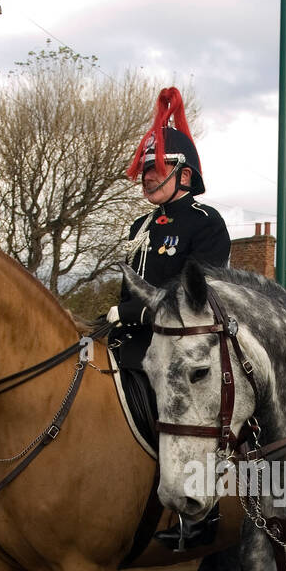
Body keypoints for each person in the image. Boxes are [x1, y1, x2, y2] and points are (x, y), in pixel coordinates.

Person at [110, 86, 231, 373]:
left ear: (184, 175)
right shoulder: (141, 226)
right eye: (145, 170)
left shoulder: (206, 222)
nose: (148, 177)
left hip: (177, 350)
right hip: (128, 342)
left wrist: (134, 313)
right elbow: (128, 292)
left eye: (157, 169)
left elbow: (192, 297)